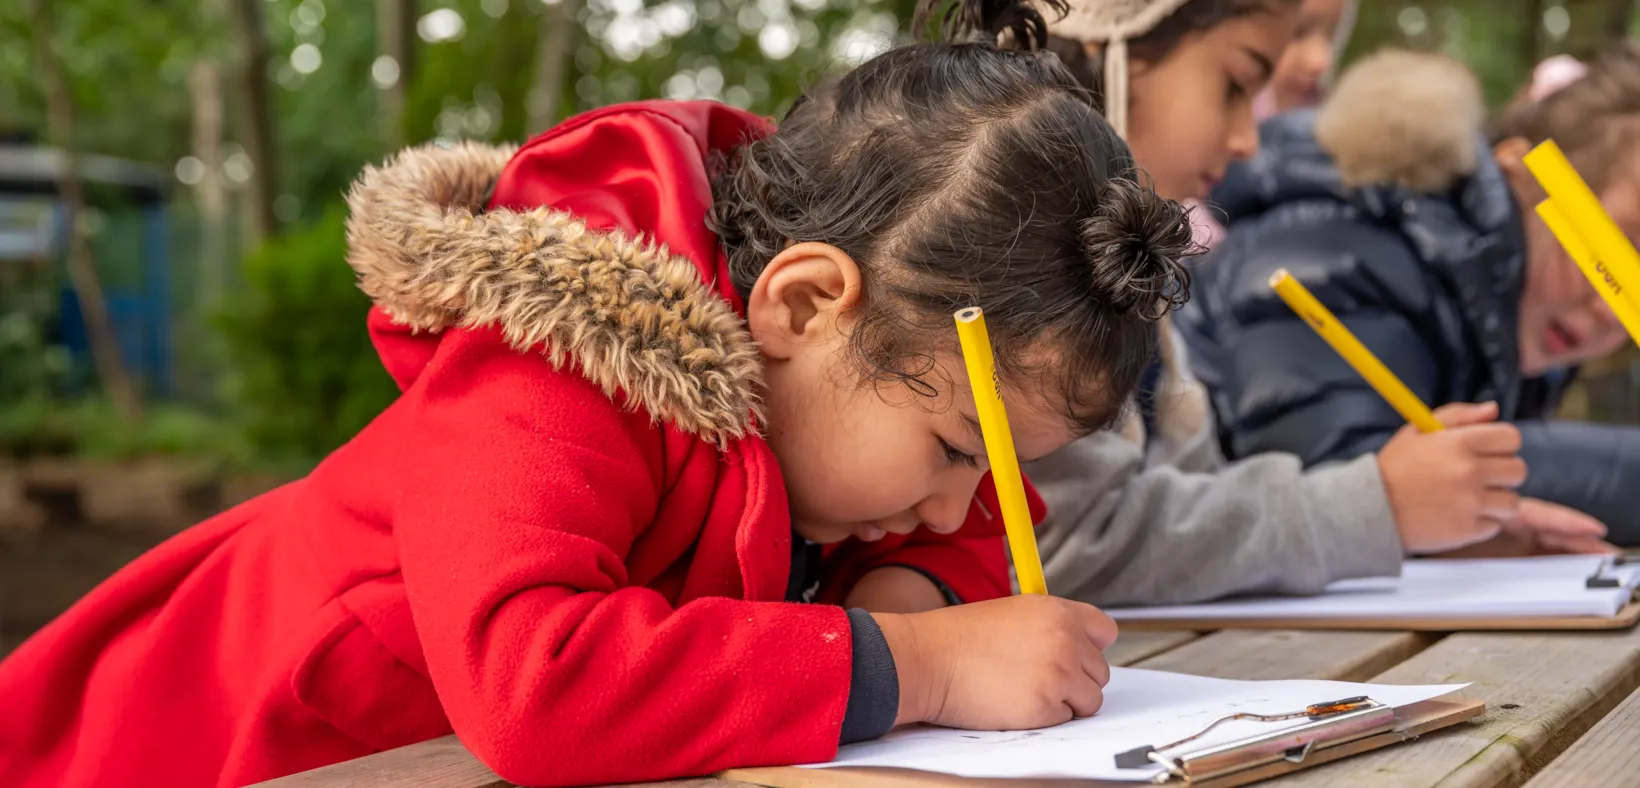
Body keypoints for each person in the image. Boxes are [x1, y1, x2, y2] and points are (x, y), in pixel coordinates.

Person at [0, 1, 1204, 786]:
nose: (958, 500)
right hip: (190, 746)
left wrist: (907, 587)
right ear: (800, 306)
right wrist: (915, 663)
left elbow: (976, 530)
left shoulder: (852, 386)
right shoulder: (557, 349)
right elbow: (531, 678)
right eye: (954, 445)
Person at [1021, 0, 1612, 610]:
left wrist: (1443, 531)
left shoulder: (1140, 288)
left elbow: (1191, 497)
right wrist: (1382, 507)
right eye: (1235, 85)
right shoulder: (1029, 268)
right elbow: (1066, 543)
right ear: (1113, 46)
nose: (1248, 140)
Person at [1178, 46, 1640, 544]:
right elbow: (1346, 486)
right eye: (1621, 249)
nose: (1610, 307)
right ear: (1521, 176)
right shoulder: (1347, 241)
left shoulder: (1505, 326)